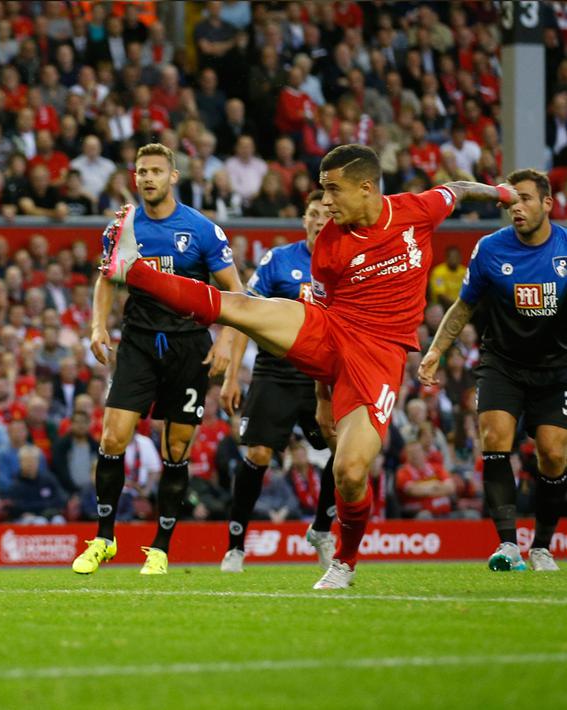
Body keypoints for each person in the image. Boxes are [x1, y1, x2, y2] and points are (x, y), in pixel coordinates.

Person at [101, 143, 515, 589]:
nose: (326, 203)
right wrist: (322, 394)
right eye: (322, 190)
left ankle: (345, 562)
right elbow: (322, 314)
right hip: (332, 329)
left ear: (366, 188)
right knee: (241, 307)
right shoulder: (331, 245)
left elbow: (458, 188)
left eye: (334, 191)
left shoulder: (418, 210)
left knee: (350, 472)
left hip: (379, 355)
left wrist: (501, 194)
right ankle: (134, 270)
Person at [74, 142, 243, 577]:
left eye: (155, 171)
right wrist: (97, 327)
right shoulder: (124, 226)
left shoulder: (202, 230)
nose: (147, 178)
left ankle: (161, 548)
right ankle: (104, 538)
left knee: (177, 447)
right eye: (141, 172)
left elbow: (236, 292)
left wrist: (226, 341)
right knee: (113, 437)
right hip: (139, 343)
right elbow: (106, 280)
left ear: (173, 177)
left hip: (189, 346)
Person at [419, 168, 567, 572]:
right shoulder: (489, 249)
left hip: (556, 369)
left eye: (525, 199)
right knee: (495, 438)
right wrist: (435, 350)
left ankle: (542, 547)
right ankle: (508, 544)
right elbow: (463, 306)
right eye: (510, 200)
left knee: (554, 454)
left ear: (547, 204)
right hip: (503, 364)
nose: (516, 207)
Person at [219, 191, 337, 572]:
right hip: (276, 371)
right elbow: (244, 312)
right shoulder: (279, 260)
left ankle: (322, 530)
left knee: (346, 450)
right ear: (304, 219)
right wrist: (232, 377)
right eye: (313, 214)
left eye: (326, 214)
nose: (319, 221)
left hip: (321, 375)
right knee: (258, 454)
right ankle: (235, 546)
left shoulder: (345, 264)